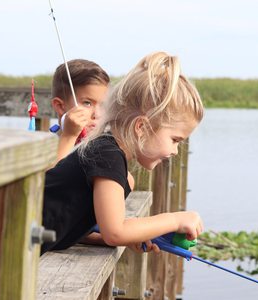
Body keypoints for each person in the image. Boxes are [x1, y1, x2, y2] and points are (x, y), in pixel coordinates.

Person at [41, 51, 204, 255]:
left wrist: (128, 235)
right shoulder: (107, 155)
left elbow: (63, 220)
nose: (174, 151)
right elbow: (115, 232)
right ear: (142, 127)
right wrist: (174, 220)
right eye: (175, 140)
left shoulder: (108, 156)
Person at [50, 59, 110, 164]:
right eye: (87, 103)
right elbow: (51, 177)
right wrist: (69, 136)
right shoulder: (45, 148)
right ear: (60, 106)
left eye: (102, 105)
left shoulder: (104, 147)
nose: (97, 114)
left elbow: (129, 180)